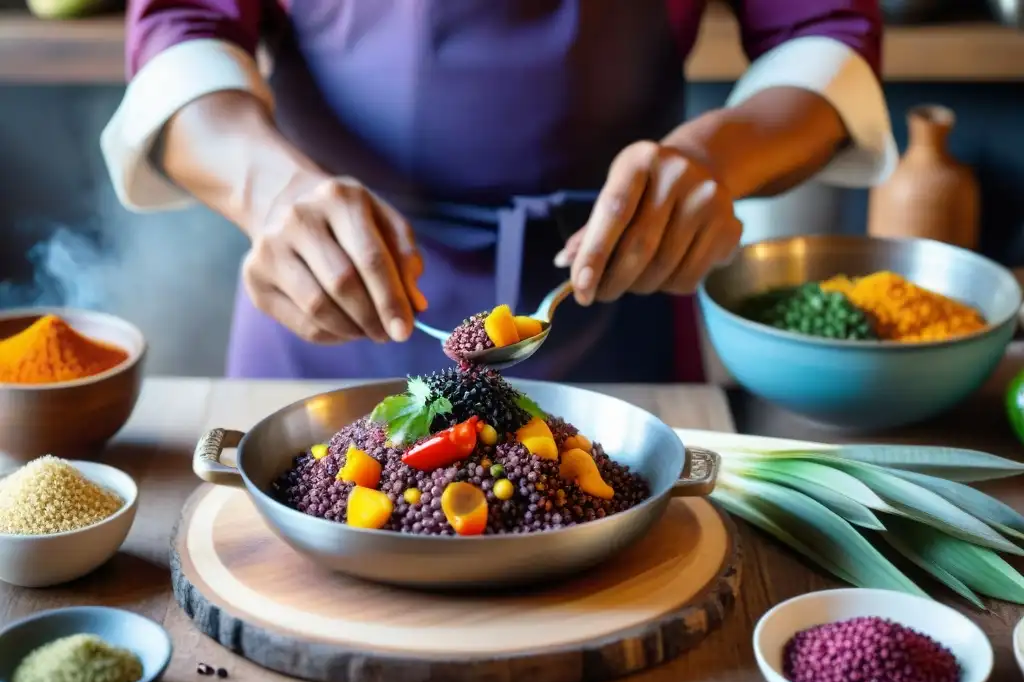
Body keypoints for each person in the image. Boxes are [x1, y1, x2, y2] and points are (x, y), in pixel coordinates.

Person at [101, 1, 896, 382]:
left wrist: (718, 159)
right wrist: (272, 195)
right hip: (324, 305)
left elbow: (821, 32)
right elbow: (183, 29)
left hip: (622, 306)